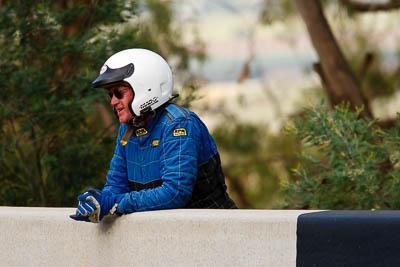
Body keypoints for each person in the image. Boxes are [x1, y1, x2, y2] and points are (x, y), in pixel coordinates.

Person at [70, 48, 236, 223]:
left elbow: (175, 193)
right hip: (170, 234)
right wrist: (97, 201)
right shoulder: (127, 128)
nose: (113, 102)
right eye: (110, 94)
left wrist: (115, 203)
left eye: (119, 93)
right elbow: (116, 184)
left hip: (215, 230)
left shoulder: (178, 124)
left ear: (146, 88)